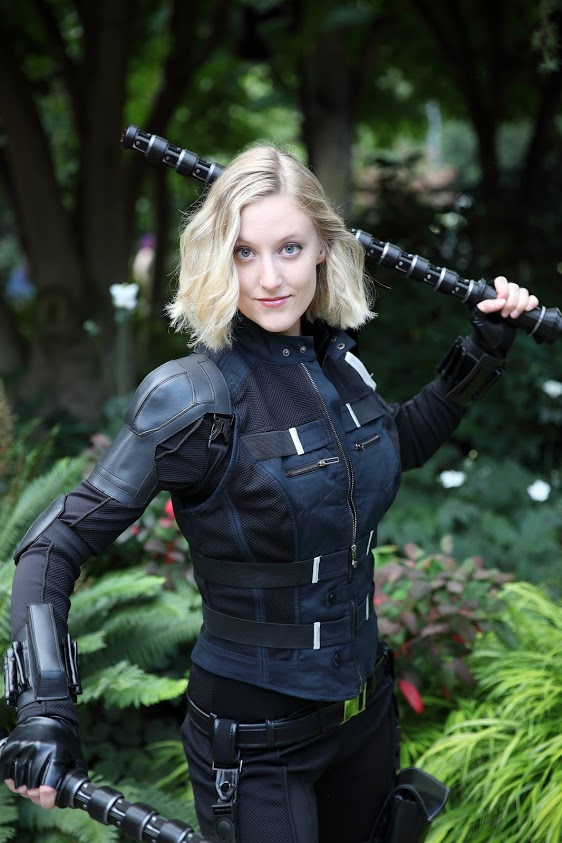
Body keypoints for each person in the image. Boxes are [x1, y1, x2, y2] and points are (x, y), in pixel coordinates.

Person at [1, 144, 539, 843]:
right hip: (255, 746)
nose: (270, 278)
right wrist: (44, 708)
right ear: (216, 258)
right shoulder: (191, 397)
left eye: (289, 247)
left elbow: (389, 450)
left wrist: (484, 350)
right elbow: (52, 546)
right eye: (244, 252)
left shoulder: (337, 362)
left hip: (364, 716)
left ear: (323, 249)